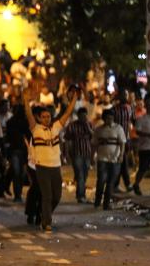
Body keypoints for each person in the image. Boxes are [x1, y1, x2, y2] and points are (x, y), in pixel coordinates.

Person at [24, 84, 79, 232]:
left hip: (56, 167)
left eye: (48, 116)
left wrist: (74, 100)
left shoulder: (55, 127)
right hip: (42, 167)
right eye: (44, 117)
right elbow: (28, 114)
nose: (47, 119)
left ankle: (44, 214)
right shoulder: (36, 129)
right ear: (39, 118)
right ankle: (46, 222)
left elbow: (67, 113)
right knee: (47, 195)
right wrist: (26, 101)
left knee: (57, 196)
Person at [91, 109, 126, 210]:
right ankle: (98, 200)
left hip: (115, 159)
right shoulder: (98, 130)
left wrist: (121, 155)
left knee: (111, 182)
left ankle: (106, 204)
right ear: (103, 119)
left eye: (111, 118)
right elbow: (94, 144)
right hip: (102, 158)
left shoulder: (118, 128)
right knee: (101, 180)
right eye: (107, 118)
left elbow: (122, 143)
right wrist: (92, 157)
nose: (109, 120)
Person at [65, 107, 93, 203]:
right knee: (80, 175)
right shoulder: (72, 126)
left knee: (84, 175)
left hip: (87, 153)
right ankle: (81, 196)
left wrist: (88, 127)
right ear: (78, 116)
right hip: (76, 153)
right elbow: (67, 140)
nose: (83, 117)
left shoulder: (89, 124)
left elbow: (93, 137)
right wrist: (66, 153)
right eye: (81, 116)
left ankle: (80, 193)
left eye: (85, 115)